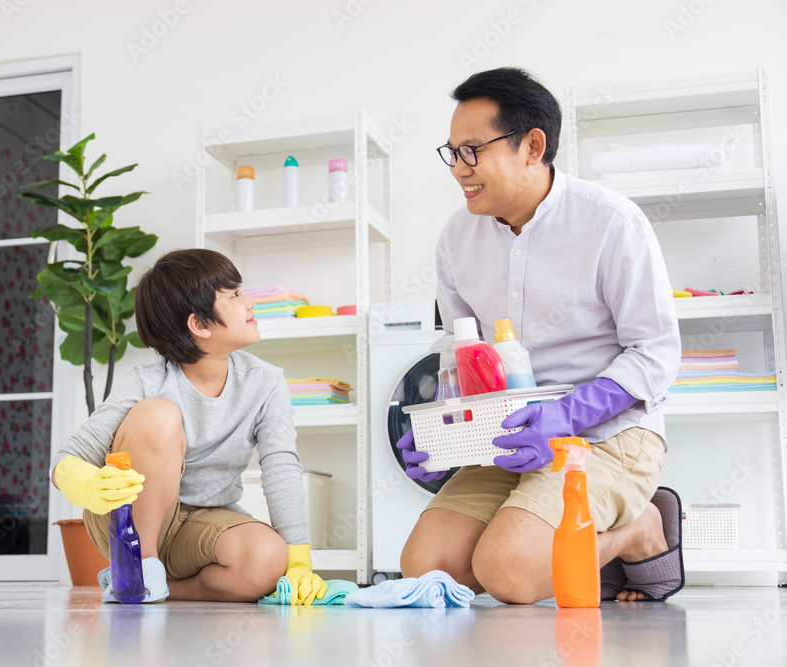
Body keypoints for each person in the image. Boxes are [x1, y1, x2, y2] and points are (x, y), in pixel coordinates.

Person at [399, 68, 684, 604]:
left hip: (608, 435)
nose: (459, 169)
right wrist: (441, 426)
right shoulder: (457, 239)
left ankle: (639, 529)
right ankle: (558, 535)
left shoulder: (611, 222)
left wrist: (565, 416)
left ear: (533, 146)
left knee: (511, 572)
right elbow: (460, 352)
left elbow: (655, 352)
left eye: (472, 150)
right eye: (452, 153)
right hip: (507, 437)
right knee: (426, 567)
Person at [50, 248, 328, 604]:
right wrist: (89, 485)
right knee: (159, 415)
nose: (249, 303)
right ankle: (140, 568)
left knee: (269, 559)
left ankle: (144, 587)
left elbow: (281, 465)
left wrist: (299, 557)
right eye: (234, 295)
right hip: (132, 524)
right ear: (199, 324)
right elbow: (66, 459)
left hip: (204, 525)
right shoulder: (148, 383)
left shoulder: (266, 382)